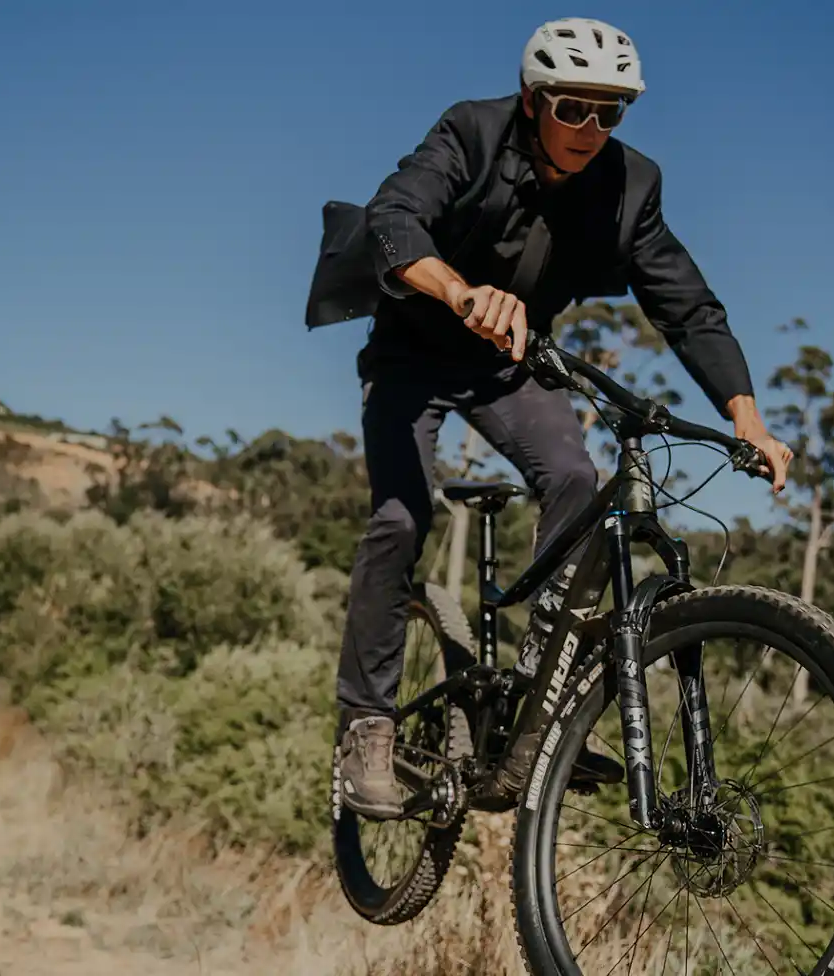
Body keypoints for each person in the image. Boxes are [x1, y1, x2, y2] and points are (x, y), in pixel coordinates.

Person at [333, 17, 793, 820]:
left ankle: (542, 695)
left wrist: (747, 420)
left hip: (510, 367)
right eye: (573, 107)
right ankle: (366, 724)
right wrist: (459, 291)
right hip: (411, 356)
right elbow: (394, 218)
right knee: (402, 519)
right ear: (532, 99)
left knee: (578, 481)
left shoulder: (631, 185)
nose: (591, 127)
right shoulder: (472, 133)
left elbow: (688, 306)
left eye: (610, 112)